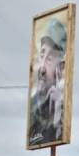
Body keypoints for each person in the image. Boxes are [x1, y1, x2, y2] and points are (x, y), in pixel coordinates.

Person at [28, 18, 66, 147]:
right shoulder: (32, 106)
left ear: (61, 68)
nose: (42, 68)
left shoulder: (62, 111)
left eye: (49, 59)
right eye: (41, 55)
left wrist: (57, 118)